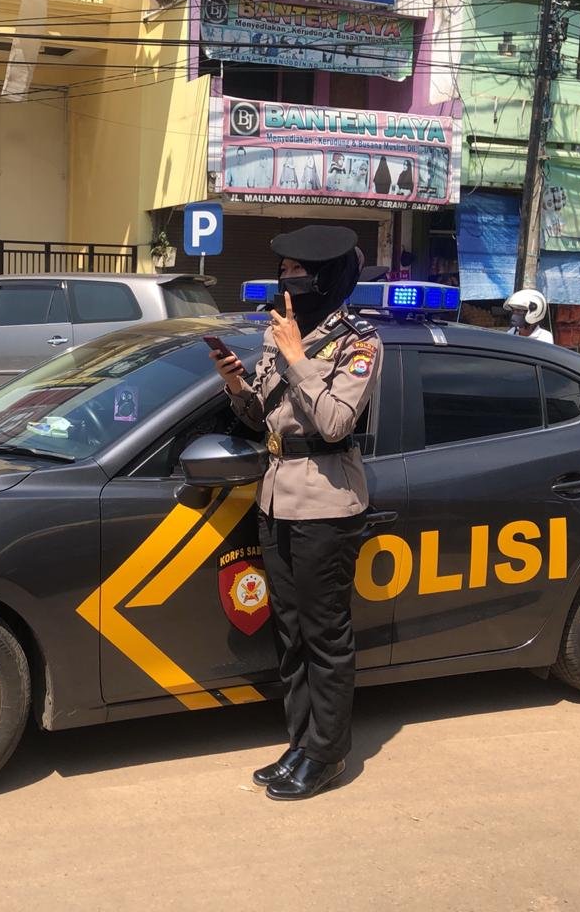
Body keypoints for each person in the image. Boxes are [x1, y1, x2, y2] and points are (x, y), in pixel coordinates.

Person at [209, 225, 381, 801]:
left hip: (327, 504)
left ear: (323, 280)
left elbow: (334, 422)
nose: (285, 285)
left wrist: (297, 358)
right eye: (282, 275)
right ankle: (301, 742)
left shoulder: (359, 344)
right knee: (290, 633)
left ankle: (328, 753)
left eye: (294, 276)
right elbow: (262, 418)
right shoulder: (278, 336)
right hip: (277, 498)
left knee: (324, 634)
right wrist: (236, 382)